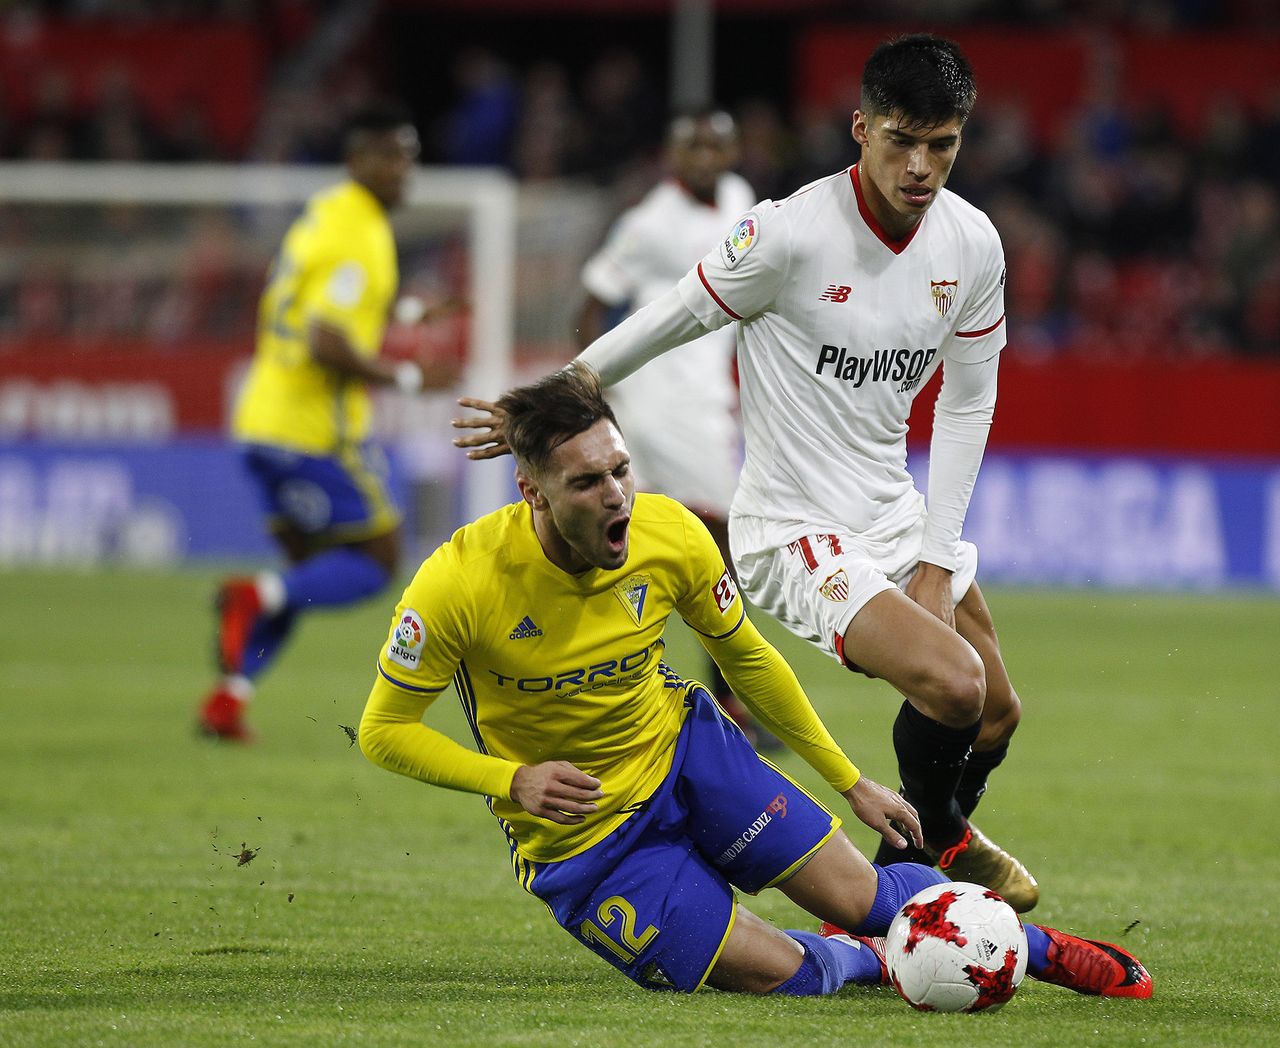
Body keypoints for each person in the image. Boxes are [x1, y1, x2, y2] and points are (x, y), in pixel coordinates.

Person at [455, 35, 1039, 910]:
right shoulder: (789, 233)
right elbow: (676, 313)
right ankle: (915, 874)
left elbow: (966, 403)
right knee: (953, 685)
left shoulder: (972, 244)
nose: (921, 167)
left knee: (997, 710)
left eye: (943, 144)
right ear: (860, 128)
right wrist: (563, 389)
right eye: (900, 140)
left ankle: (937, 837)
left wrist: (933, 552)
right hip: (793, 527)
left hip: (891, 508)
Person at [363, 366, 1150, 998]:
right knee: (785, 974)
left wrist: (850, 780)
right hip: (585, 842)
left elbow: (747, 657)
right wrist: (513, 778)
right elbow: (383, 731)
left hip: (688, 757)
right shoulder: (458, 583)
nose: (618, 496)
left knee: (864, 898)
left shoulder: (669, 534)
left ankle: (1038, 949)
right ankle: (883, 961)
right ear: (531, 491)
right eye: (588, 483)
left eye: (622, 469)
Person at [196, 101, 454, 740]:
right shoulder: (361, 234)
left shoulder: (326, 215)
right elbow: (325, 339)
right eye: (388, 156)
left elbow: (337, 302)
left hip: (260, 421)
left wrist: (410, 312)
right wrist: (412, 378)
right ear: (356, 159)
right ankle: (252, 597)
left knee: (302, 578)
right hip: (313, 431)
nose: (402, 171)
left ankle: (228, 699)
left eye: (409, 156)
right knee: (377, 558)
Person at [576, 107, 779, 750]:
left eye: (716, 143)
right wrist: (595, 394)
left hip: (707, 398)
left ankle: (614, 687)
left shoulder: (742, 201)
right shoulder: (650, 224)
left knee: (633, 539)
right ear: (670, 153)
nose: (704, 156)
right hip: (660, 404)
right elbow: (591, 303)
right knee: (720, 544)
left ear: (732, 151)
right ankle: (730, 700)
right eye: (690, 144)